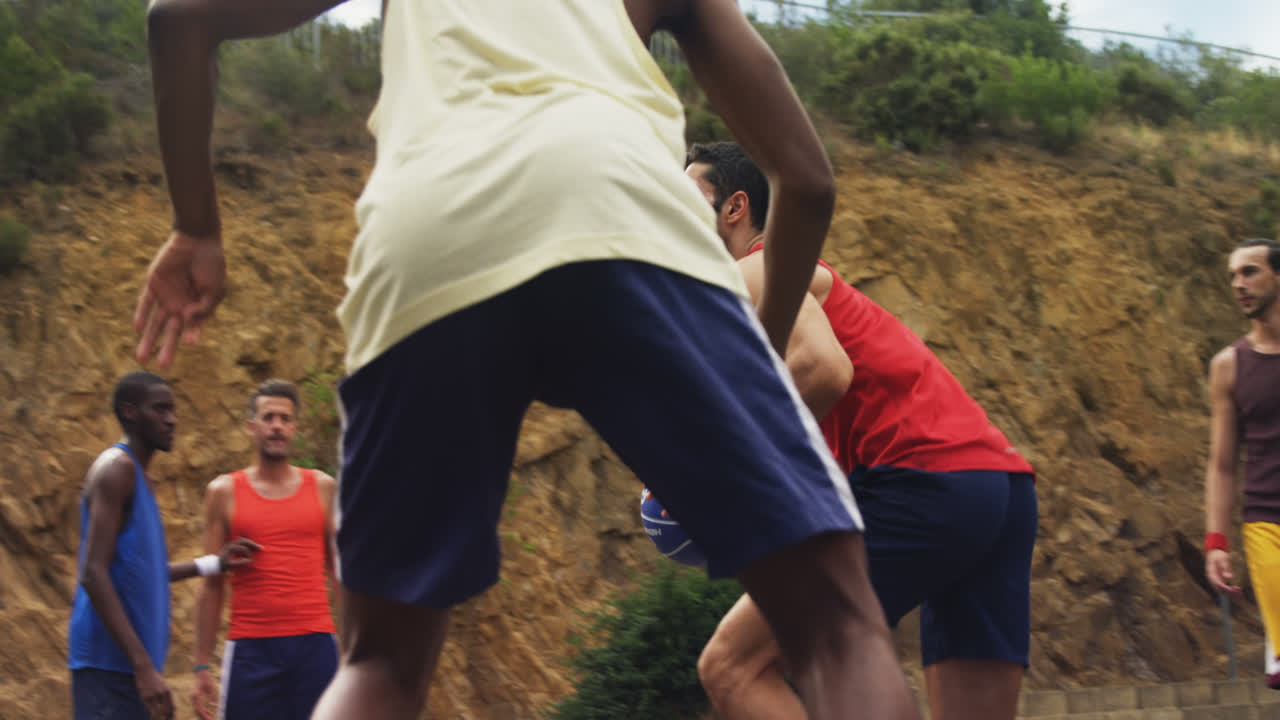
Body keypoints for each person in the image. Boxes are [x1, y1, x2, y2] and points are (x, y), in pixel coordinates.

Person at [137, 1, 921, 719]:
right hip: (623, 212)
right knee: (836, 628)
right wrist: (752, 369)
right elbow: (809, 182)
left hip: (430, 233)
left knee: (379, 663)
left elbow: (178, 20)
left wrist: (196, 228)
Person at [686, 141, 1038, 720]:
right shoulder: (775, 283)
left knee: (732, 667)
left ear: (734, 207)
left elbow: (824, 370)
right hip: (993, 484)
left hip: (922, 483)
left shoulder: (751, 267)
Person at [69, 371, 259, 720]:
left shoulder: (142, 479)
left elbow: (144, 573)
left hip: (128, 669)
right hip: (107, 666)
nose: (171, 420)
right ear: (129, 412)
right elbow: (93, 572)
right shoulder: (117, 469)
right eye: (159, 409)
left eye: (172, 410)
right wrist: (143, 668)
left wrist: (214, 563)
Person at [191, 380, 339, 720]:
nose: (277, 426)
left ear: (295, 428)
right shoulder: (224, 492)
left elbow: (340, 575)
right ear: (251, 427)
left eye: (285, 419)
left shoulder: (322, 488)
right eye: (268, 417)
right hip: (251, 649)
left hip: (315, 645)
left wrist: (355, 652)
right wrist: (201, 664)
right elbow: (212, 584)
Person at [1204, 238, 1280, 689]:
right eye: (1233, 275)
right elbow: (1222, 464)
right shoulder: (1229, 366)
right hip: (1267, 524)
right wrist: (1216, 541)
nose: (1238, 284)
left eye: (1249, 271)